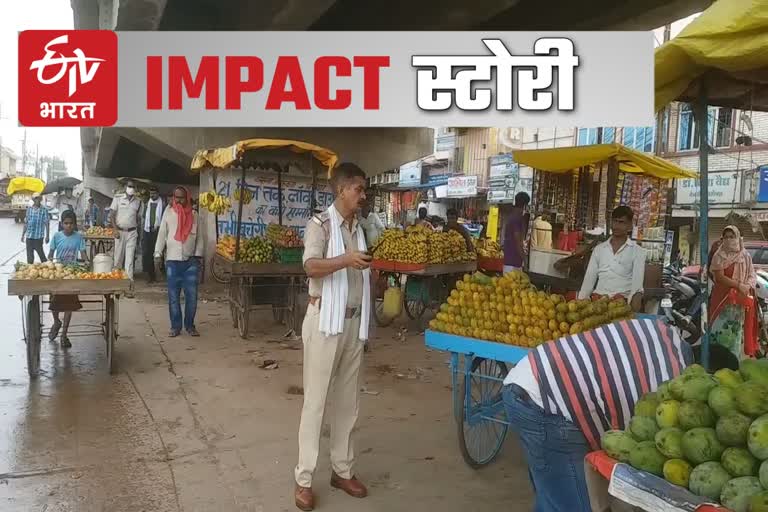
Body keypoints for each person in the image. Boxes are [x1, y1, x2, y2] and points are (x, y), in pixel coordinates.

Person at [502, 311, 702, 512]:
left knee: (553, 494)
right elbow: (637, 435)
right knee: (575, 503)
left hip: (528, 379)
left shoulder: (664, 334)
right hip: (546, 400)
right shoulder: (673, 377)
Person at [295, 162, 372, 511]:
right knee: (316, 402)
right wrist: (345, 260)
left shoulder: (361, 227)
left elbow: (359, 269)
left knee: (347, 402)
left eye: (364, 189)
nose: (363, 195)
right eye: (358, 188)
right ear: (341, 189)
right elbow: (310, 266)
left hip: (354, 323)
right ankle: (304, 479)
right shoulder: (320, 224)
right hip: (325, 320)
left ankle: (342, 470)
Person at [154, 187, 203, 338]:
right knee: (173, 298)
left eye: (182, 198)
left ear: (187, 198)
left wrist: (198, 256)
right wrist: (157, 254)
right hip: (172, 262)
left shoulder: (195, 215)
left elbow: (200, 238)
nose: (179, 200)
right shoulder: (168, 213)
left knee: (192, 298)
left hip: (190, 263)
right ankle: (175, 327)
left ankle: (190, 325)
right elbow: (162, 235)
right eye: (176, 197)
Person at [579, 206, 647, 312]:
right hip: (598, 304)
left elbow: (637, 287)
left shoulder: (638, 252)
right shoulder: (599, 249)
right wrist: (580, 305)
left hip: (621, 305)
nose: (617, 226)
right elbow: (588, 282)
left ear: (629, 225)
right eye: (615, 221)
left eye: (621, 222)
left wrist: (632, 312)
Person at [710, 226, 759, 360]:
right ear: (722, 239)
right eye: (726, 237)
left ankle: (732, 364)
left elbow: (751, 274)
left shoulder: (745, 256)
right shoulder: (719, 255)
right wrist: (738, 285)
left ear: (738, 237)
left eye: (732, 236)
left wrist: (746, 286)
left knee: (735, 334)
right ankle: (716, 363)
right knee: (718, 331)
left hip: (738, 302)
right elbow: (719, 277)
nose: (729, 240)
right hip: (722, 300)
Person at [47, 210, 87, 348]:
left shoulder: (79, 237)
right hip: (58, 273)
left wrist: (87, 262)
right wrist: (49, 264)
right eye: (66, 223)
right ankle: (57, 321)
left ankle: (64, 334)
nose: (68, 226)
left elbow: (83, 253)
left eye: (71, 223)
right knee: (54, 302)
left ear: (74, 224)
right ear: (62, 224)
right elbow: (50, 254)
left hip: (72, 273)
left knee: (69, 305)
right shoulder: (57, 236)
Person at [109, 180, 142, 296]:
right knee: (117, 259)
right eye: (129, 186)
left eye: (133, 187)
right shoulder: (118, 198)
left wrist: (139, 235)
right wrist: (114, 229)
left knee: (129, 262)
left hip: (132, 233)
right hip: (120, 232)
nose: (131, 188)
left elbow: (139, 219)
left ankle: (128, 288)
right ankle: (115, 286)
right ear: (125, 187)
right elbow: (111, 215)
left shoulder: (138, 201)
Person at [503, 192, 531, 272]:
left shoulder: (511, 216)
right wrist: (525, 260)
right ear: (525, 206)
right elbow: (518, 241)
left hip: (509, 260)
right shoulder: (517, 218)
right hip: (513, 263)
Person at [142, 186, 165, 283]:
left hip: (159, 231)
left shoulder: (163, 204)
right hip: (147, 231)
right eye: (151, 193)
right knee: (148, 253)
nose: (152, 195)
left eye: (154, 193)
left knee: (159, 253)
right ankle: (150, 275)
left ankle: (160, 274)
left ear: (158, 194)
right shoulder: (148, 204)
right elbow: (144, 216)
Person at [21, 193, 50, 264]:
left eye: (39, 198)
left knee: (42, 256)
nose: (37, 200)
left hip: (38, 237)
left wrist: (47, 236)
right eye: (35, 198)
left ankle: (47, 267)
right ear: (33, 200)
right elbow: (26, 223)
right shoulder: (29, 209)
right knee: (30, 258)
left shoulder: (44, 210)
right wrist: (23, 235)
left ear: (41, 199)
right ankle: (30, 270)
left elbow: (47, 223)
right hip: (29, 237)